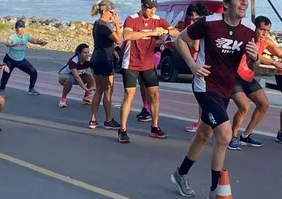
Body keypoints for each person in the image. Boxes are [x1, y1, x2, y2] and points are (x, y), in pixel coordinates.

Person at [170, 0, 259, 199]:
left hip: (226, 88)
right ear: (226, 5)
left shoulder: (249, 29)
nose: (244, 2)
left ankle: (180, 174)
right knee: (225, 135)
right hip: (205, 85)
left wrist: (255, 58)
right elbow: (180, 41)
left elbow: (254, 65)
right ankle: (214, 191)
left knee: (204, 134)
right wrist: (193, 66)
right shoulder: (209, 23)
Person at [228, 15, 282, 150]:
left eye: (267, 31)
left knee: (264, 104)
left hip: (247, 77)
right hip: (234, 77)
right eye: (261, 29)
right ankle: (233, 137)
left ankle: (246, 135)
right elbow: (255, 58)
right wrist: (273, 63)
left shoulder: (265, 40)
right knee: (244, 107)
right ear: (255, 28)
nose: (264, 33)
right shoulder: (246, 38)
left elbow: (281, 54)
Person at [118, 0, 179, 143]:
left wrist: (166, 31)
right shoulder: (132, 19)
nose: (152, 12)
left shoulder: (157, 20)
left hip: (148, 63)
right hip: (131, 63)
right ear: (142, 7)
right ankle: (122, 130)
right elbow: (127, 35)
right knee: (129, 95)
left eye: (154, 10)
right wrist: (151, 32)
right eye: (150, 9)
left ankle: (155, 126)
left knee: (155, 94)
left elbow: (176, 32)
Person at [88, 0, 122, 129]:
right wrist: (117, 24)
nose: (114, 13)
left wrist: (113, 51)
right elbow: (119, 40)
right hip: (104, 60)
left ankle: (93, 119)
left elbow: (103, 42)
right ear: (106, 10)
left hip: (96, 58)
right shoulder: (105, 25)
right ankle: (108, 120)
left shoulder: (97, 23)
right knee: (108, 90)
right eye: (113, 11)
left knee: (99, 90)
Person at [181, 3, 213, 133]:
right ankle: (204, 122)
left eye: (193, 18)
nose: (192, 20)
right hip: (214, 64)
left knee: (202, 93)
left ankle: (203, 122)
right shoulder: (213, 22)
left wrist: (186, 41)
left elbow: (195, 46)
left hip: (201, 64)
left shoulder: (200, 26)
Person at [0, 19, 48, 96]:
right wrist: (10, 45)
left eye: (23, 28)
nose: (22, 29)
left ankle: (31, 89)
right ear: (16, 29)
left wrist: (40, 42)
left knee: (34, 72)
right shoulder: (13, 36)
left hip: (21, 60)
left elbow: (33, 40)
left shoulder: (26, 37)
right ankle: (1, 91)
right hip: (10, 59)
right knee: (6, 74)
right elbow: (7, 42)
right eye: (20, 28)